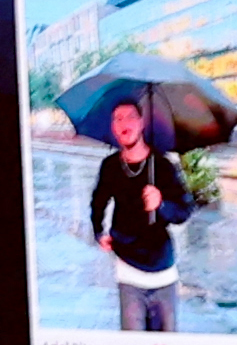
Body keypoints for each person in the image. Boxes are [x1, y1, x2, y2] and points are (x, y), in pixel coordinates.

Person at [82, 93, 193, 331]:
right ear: (113, 127)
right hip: (128, 270)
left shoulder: (162, 166)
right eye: (118, 119)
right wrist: (99, 232)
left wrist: (161, 204)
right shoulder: (110, 166)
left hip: (164, 272)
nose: (125, 124)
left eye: (131, 117)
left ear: (142, 123)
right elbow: (97, 202)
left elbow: (184, 210)